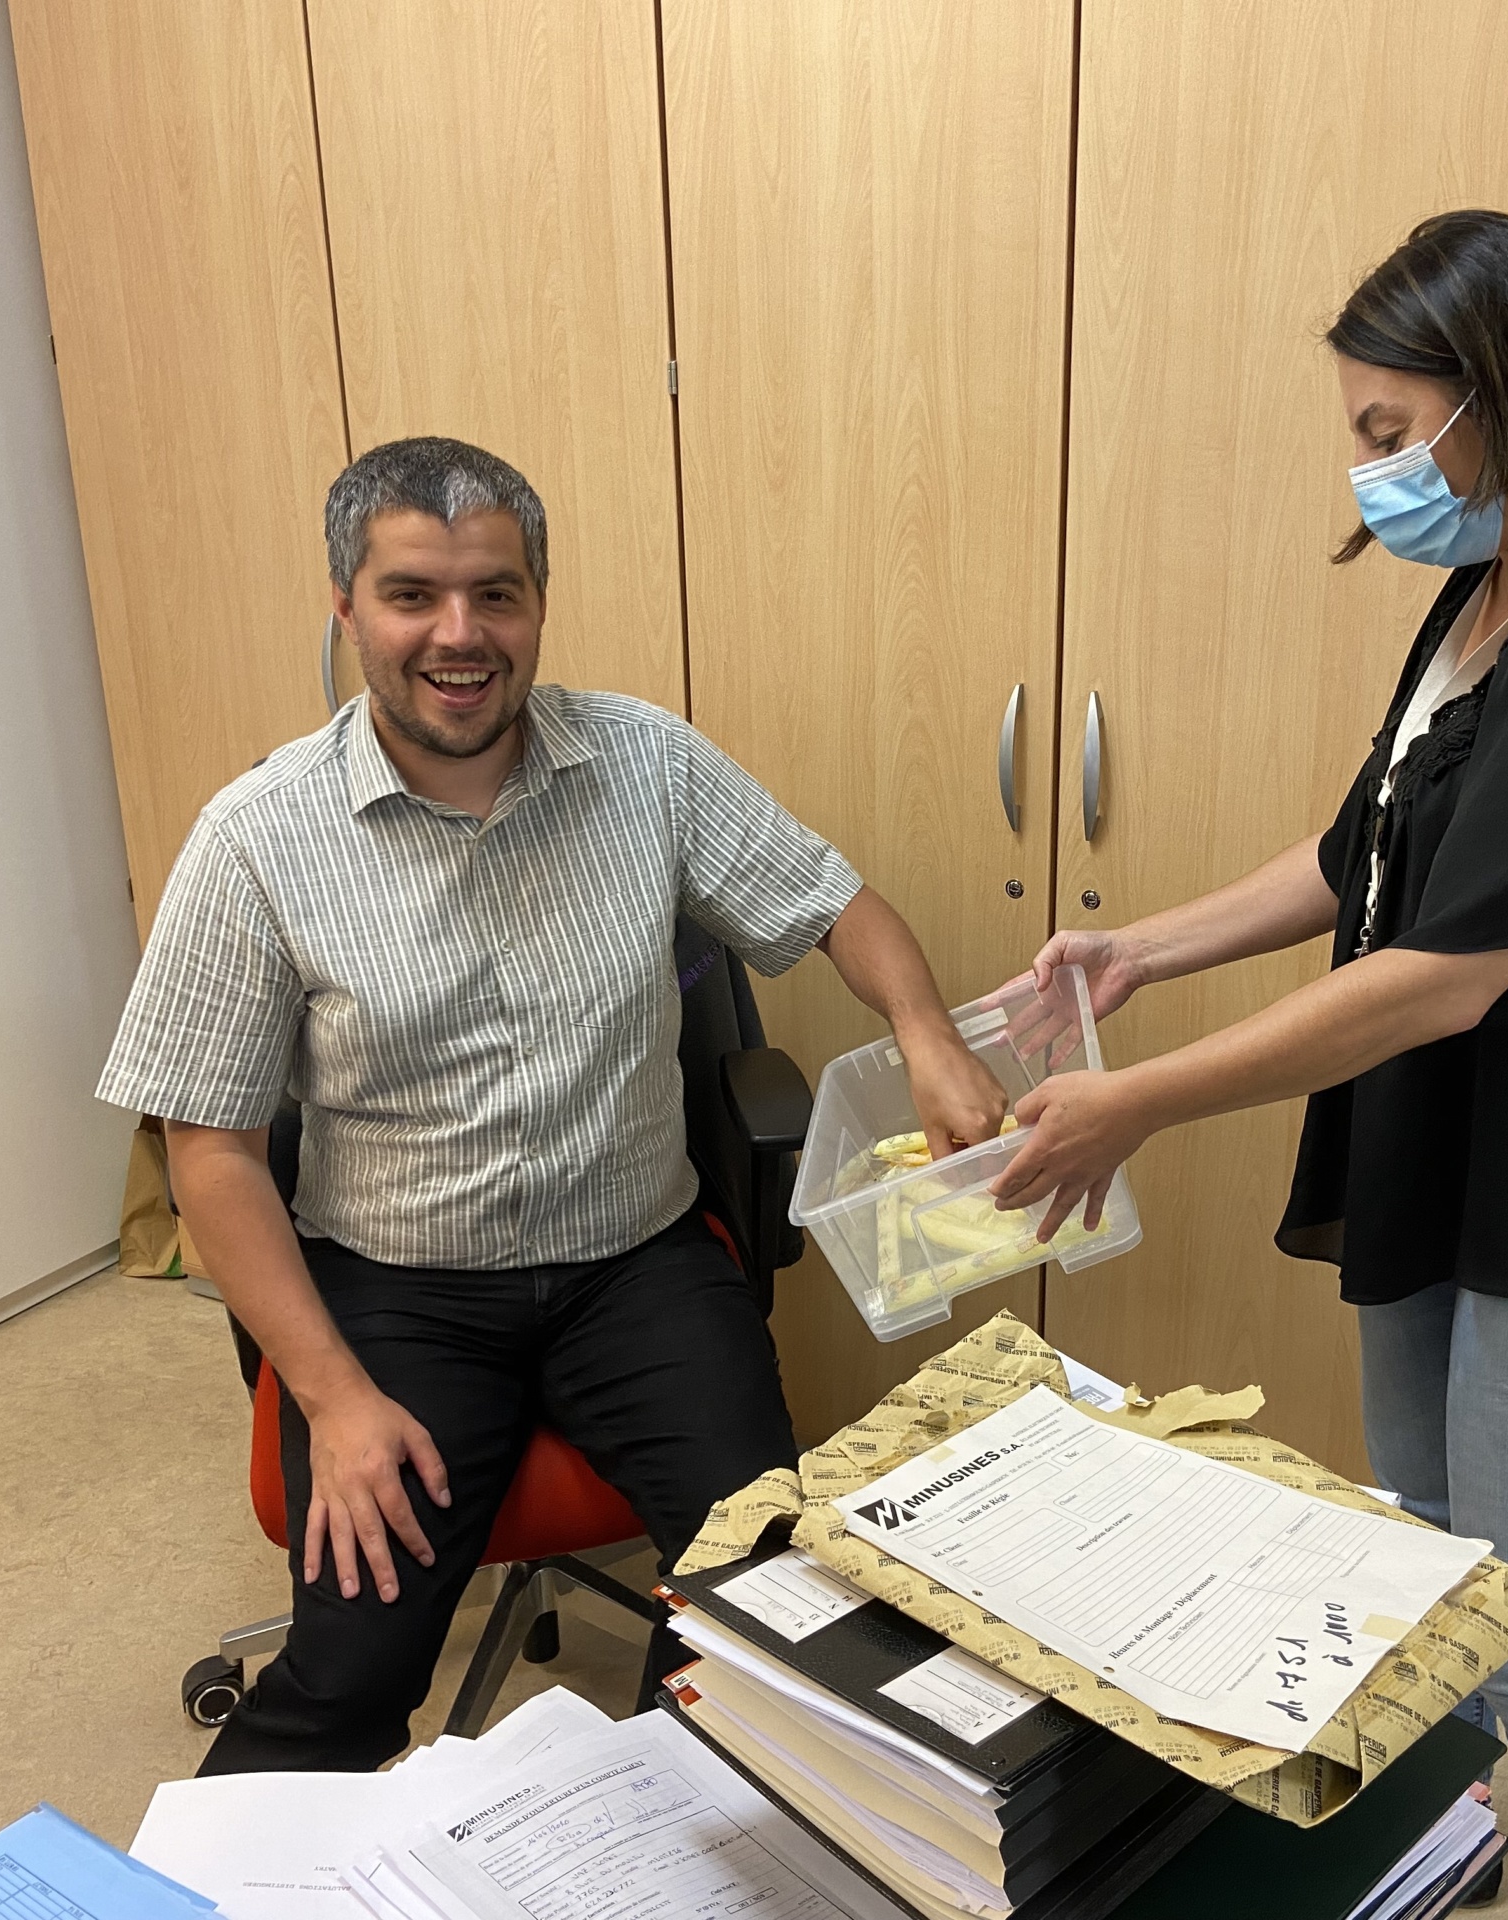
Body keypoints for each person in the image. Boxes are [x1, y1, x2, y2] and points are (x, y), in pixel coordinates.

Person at [993, 211, 1508, 1920]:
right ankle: (1446, 1849)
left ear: (1506, 390)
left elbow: (1450, 972)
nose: (1368, 468)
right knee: (1433, 1572)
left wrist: (1138, 1101)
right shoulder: (1495, 577)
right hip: (1446, 1152)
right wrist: (1142, 950)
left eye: (1388, 428)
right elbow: (1367, 846)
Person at [99, 436, 1008, 1774]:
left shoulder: (647, 762)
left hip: (635, 1263)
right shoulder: (256, 836)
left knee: (771, 1622)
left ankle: (673, 1831)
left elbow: (837, 906)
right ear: (347, 607)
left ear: (537, 600)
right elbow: (212, 1154)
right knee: (352, 1673)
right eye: (412, 595)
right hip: (395, 1286)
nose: (459, 635)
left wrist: (926, 1034)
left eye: (496, 593)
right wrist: (333, 1399)